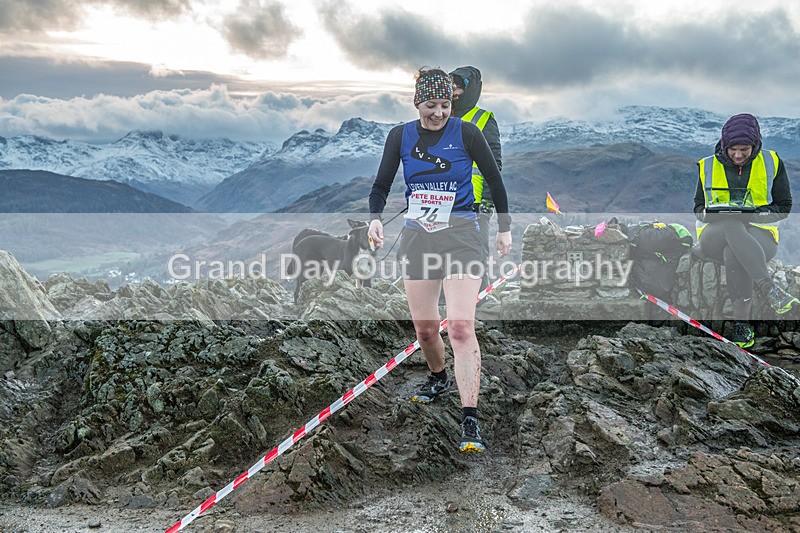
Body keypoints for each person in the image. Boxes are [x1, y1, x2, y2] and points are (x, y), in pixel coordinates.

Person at [368, 67, 512, 453]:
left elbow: (494, 178)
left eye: (445, 104)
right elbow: (381, 184)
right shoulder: (399, 136)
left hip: (463, 238)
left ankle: (470, 418)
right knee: (427, 331)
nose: (439, 113)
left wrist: (504, 228)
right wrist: (375, 218)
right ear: (417, 103)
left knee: (461, 328)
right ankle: (438, 377)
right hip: (418, 240)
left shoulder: (467, 132)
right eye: (431, 105)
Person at [694, 113, 798, 347]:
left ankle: (741, 326)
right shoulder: (707, 165)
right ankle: (769, 289)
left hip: (760, 235)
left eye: (744, 149)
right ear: (724, 145)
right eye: (733, 149)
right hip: (714, 236)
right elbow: (698, 208)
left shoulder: (772, 162)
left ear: (755, 145)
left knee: (733, 253)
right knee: (731, 224)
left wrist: (751, 215)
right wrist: (713, 214)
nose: (738, 155)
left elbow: (784, 207)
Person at [450, 66, 502, 292]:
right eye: (451, 85)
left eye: (459, 86)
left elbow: (494, 167)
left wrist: (488, 203)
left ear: (471, 90)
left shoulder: (484, 120)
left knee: (475, 255)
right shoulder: (441, 116)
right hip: (442, 201)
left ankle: (481, 302)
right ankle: (445, 301)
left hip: (475, 202)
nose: (454, 92)